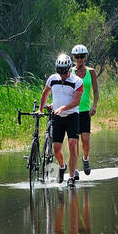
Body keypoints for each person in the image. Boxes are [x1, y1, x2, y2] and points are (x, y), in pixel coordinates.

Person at [38, 52, 83, 185]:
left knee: (72, 144)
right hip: (58, 117)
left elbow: (76, 101)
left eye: (65, 72)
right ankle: (62, 167)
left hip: (72, 116)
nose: (63, 75)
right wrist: (40, 109)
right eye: (60, 72)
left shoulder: (77, 81)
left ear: (70, 69)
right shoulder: (52, 79)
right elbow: (45, 93)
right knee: (56, 149)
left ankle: (71, 177)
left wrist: (62, 108)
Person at [71, 44, 100, 174]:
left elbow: (96, 91)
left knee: (86, 141)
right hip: (73, 111)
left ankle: (86, 158)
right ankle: (75, 168)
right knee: (74, 141)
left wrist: (94, 106)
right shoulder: (69, 72)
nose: (80, 59)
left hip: (85, 111)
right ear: (74, 58)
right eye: (77, 57)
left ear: (85, 57)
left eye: (82, 57)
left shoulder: (91, 72)